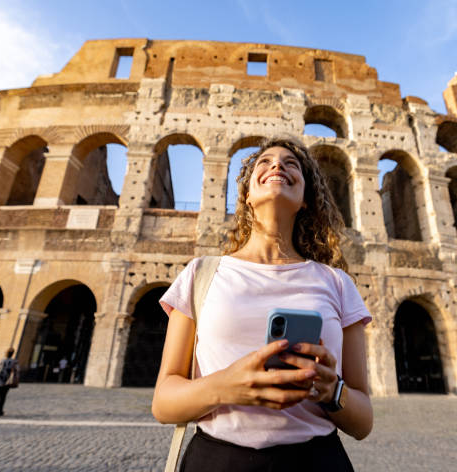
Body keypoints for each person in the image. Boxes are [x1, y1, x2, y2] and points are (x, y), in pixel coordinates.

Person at [153, 137, 373, 471]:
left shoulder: (338, 283)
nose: (277, 166)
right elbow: (163, 403)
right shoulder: (201, 274)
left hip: (317, 461)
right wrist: (226, 386)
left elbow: (363, 421)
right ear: (246, 195)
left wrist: (333, 390)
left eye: (291, 164)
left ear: (305, 200)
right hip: (218, 459)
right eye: (265, 162)